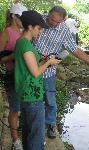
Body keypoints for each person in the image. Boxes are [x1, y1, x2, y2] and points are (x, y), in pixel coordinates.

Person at [32, 6, 89, 139]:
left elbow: (75, 49)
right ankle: (29, 121)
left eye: (57, 22)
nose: (53, 23)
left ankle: (50, 124)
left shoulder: (64, 31)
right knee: (31, 97)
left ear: (63, 20)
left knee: (50, 99)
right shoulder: (39, 20)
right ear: (48, 14)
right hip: (31, 68)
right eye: (51, 19)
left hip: (48, 71)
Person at [15, 10, 61, 150]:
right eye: (39, 28)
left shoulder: (21, 42)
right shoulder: (26, 45)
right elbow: (35, 73)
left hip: (25, 93)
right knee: (36, 136)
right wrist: (49, 63)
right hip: (32, 95)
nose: (40, 32)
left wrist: (44, 61)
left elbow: (31, 68)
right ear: (30, 27)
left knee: (28, 132)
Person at [0, 3, 27, 150]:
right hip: (11, 76)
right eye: (21, 17)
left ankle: (24, 135)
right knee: (15, 109)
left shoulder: (25, 31)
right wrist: (13, 55)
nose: (24, 19)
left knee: (25, 107)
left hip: (25, 76)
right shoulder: (6, 32)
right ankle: (16, 140)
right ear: (13, 16)